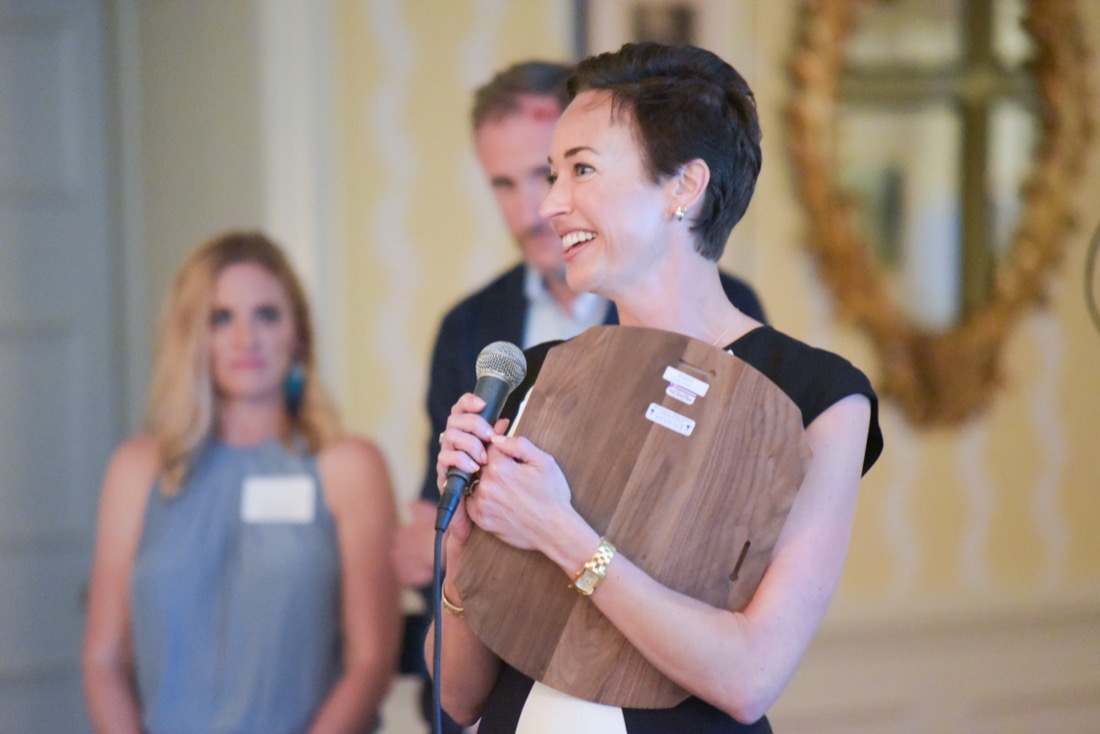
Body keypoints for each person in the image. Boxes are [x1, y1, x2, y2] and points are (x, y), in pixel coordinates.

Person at [428, 42, 884, 733]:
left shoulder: (818, 398)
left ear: (684, 187)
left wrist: (560, 532)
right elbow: (459, 699)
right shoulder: (538, 373)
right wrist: (463, 539)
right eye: (553, 174)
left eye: (580, 169)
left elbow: (750, 677)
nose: (550, 205)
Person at [390, 59, 767, 732]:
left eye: (560, 172)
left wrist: (556, 529)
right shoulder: (474, 327)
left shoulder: (726, 318)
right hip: (503, 680)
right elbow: (438, 509)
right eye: (504, 185)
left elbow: (727, 569)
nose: (535, 207)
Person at [82, 231, 402, 733]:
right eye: (220, 318)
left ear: (296, 331)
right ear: (193, 335)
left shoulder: (348, 466)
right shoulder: (137, 469)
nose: (244, 339)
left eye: (267, 315)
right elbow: (103, 659)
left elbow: (371, 662)